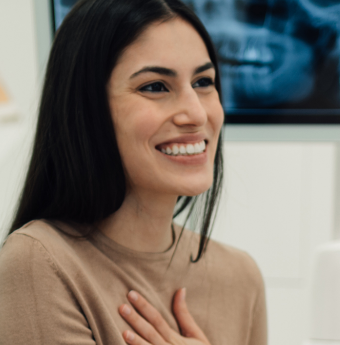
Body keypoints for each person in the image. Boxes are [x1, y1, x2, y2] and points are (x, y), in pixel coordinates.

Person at [0, 0, 267, 344]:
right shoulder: (40, 265)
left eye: (203, 82)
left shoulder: (241, 278)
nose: (197, 114)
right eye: (155, 86)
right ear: (86, 109)